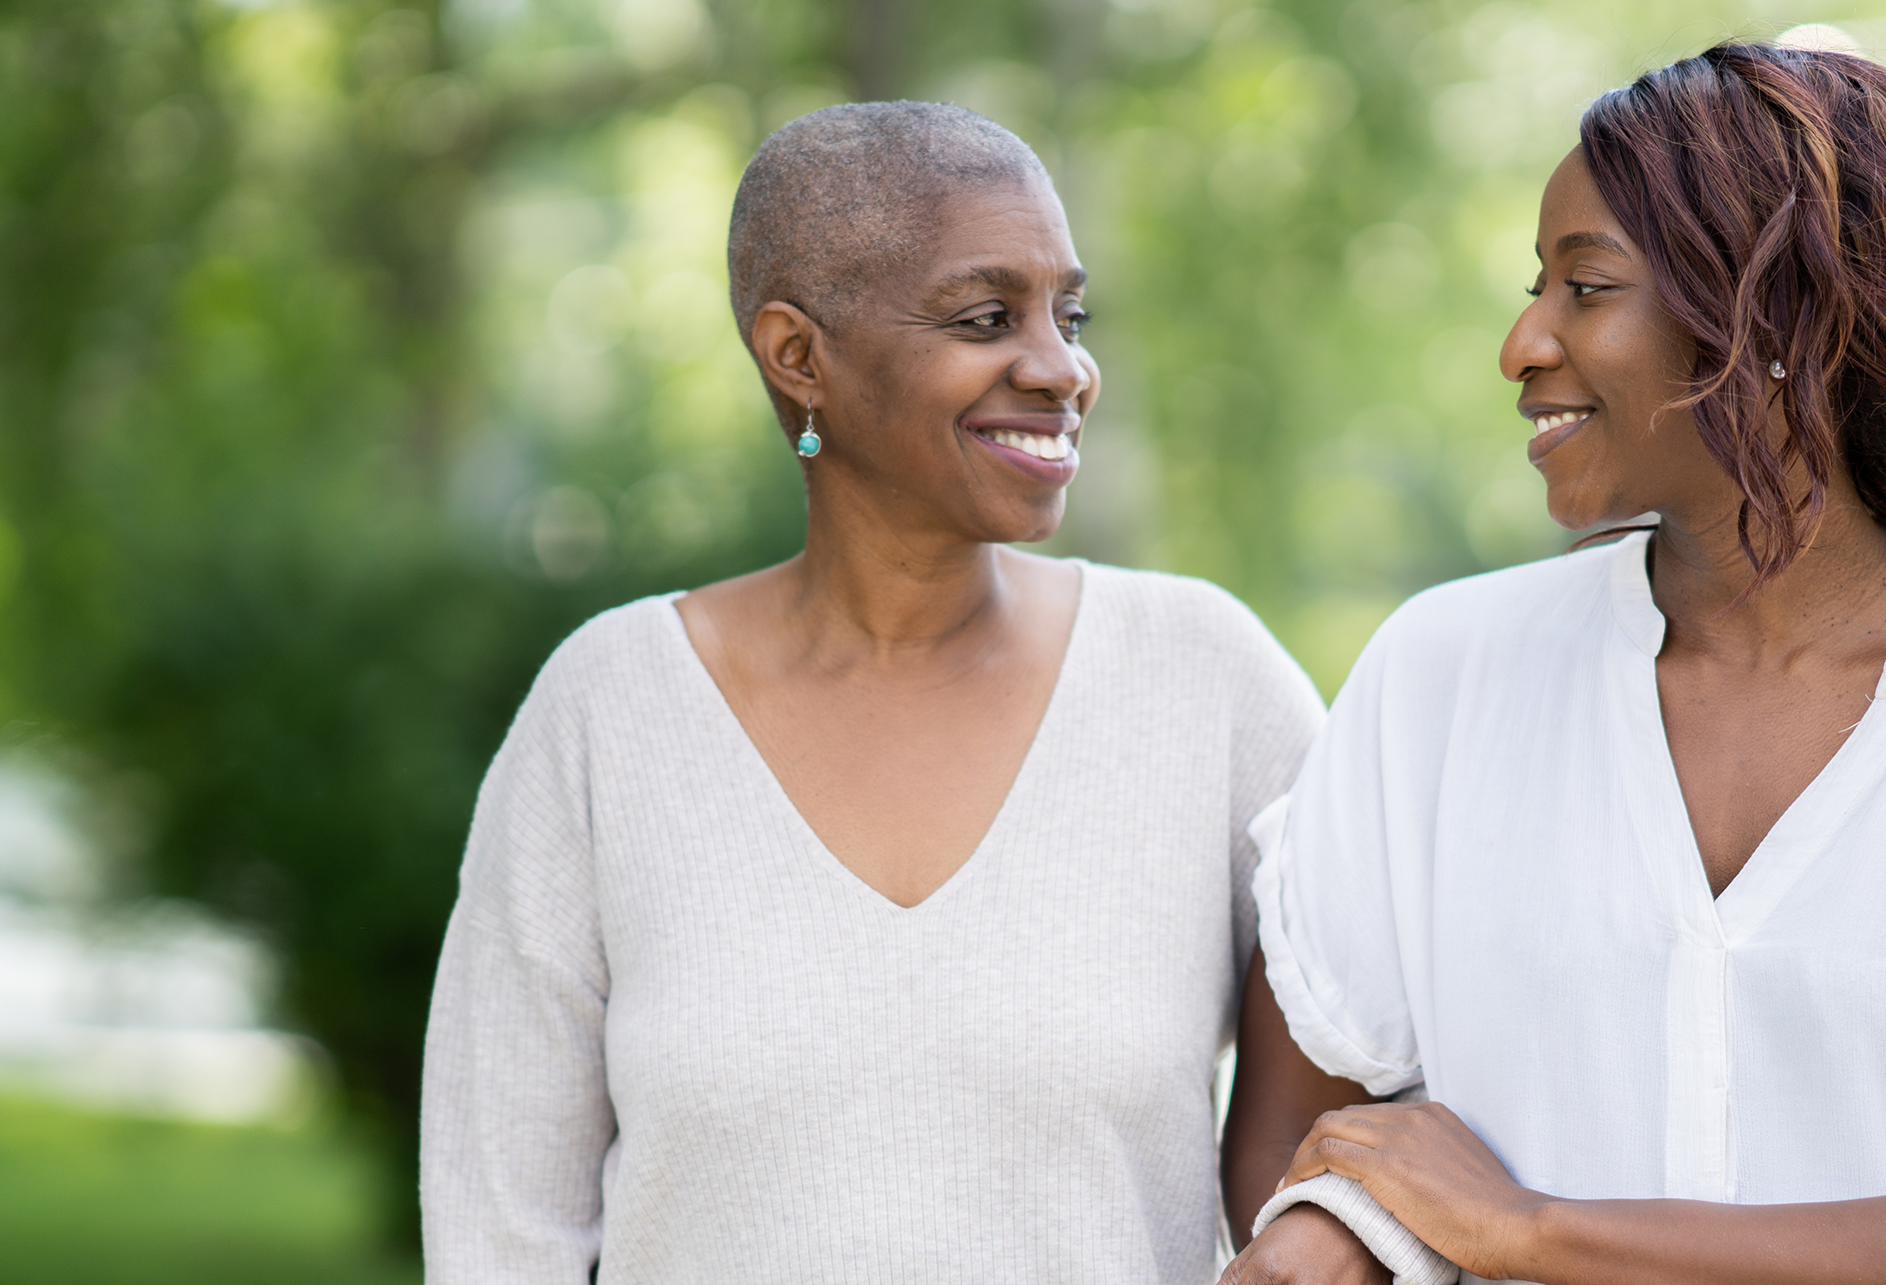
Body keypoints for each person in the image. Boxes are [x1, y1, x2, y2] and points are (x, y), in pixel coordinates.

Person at [1220, 41, 1886, 1285]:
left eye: (1586, 287)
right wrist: (1339, 1227)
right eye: (1539, 287)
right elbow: (1291, 1141)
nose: (1523, 343)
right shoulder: (1441, 674)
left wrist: (1530, 1230)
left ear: (1770, 319)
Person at [419, 102, 1323, 1284]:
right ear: (799, 355)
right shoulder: (609, 710)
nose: (1063, 368)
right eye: (988, 317)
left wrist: (1333, 1221)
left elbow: (1392, 1097)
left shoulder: (1209, 681)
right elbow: (502, 1236)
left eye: (1070, 313)